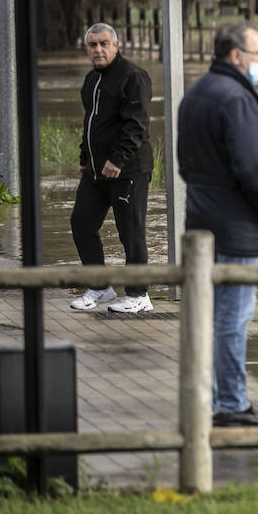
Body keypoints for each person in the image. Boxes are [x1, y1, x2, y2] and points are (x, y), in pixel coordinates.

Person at [177, 21, 258, 427]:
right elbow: (254, 168)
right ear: (237, 56)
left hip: (202, 221)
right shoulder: (237, 98)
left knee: (212, 315)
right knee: (233, 319)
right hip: (236, 225)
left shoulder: (197, 92)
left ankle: (213, 396)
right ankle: (232, 403)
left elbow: (185, 164)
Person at [69, 23, 155, 314]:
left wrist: (117, 160)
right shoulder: (91, 79)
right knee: (81, 222)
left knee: (130, 232)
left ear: (116, 45)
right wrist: (84, 159)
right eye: (92, 45)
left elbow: (136, 125)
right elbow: (91, 124)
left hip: (128, 170)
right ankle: (100, 287)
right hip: (95, 172)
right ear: (87, 49)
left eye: (104, 43)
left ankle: (139, 294)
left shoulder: (133, 77)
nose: (98, 49)